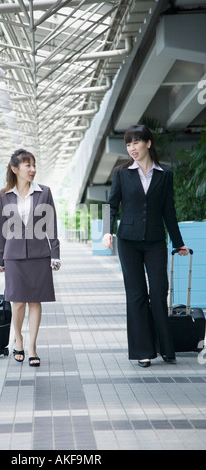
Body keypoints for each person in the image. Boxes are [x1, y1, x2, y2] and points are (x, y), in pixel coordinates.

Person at [102, 124, 189, 368]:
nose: (132, 148)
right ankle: (143, 351)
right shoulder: (121, 173)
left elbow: (168, 211)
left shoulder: (165, 174)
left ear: (148, 143)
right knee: (137, 295)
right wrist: (106, 233)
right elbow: (111, 204)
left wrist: (178, 242)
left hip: (155, 242)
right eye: (128, 144)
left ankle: (166, 348)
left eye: (136, 142)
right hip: (128, 242)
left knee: (159, 292)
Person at [0, 149, 60, 367]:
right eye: (27, 166)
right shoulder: (3, 195)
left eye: (34, 165)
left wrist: (55, 254)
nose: (32, 170)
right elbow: (1, 229)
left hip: (39, 254)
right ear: (15, 169)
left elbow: (51, 225)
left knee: (35, 300)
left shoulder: (44, 192)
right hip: (13, 256)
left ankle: (32, 346)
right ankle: (19, 339)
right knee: (17, 302)